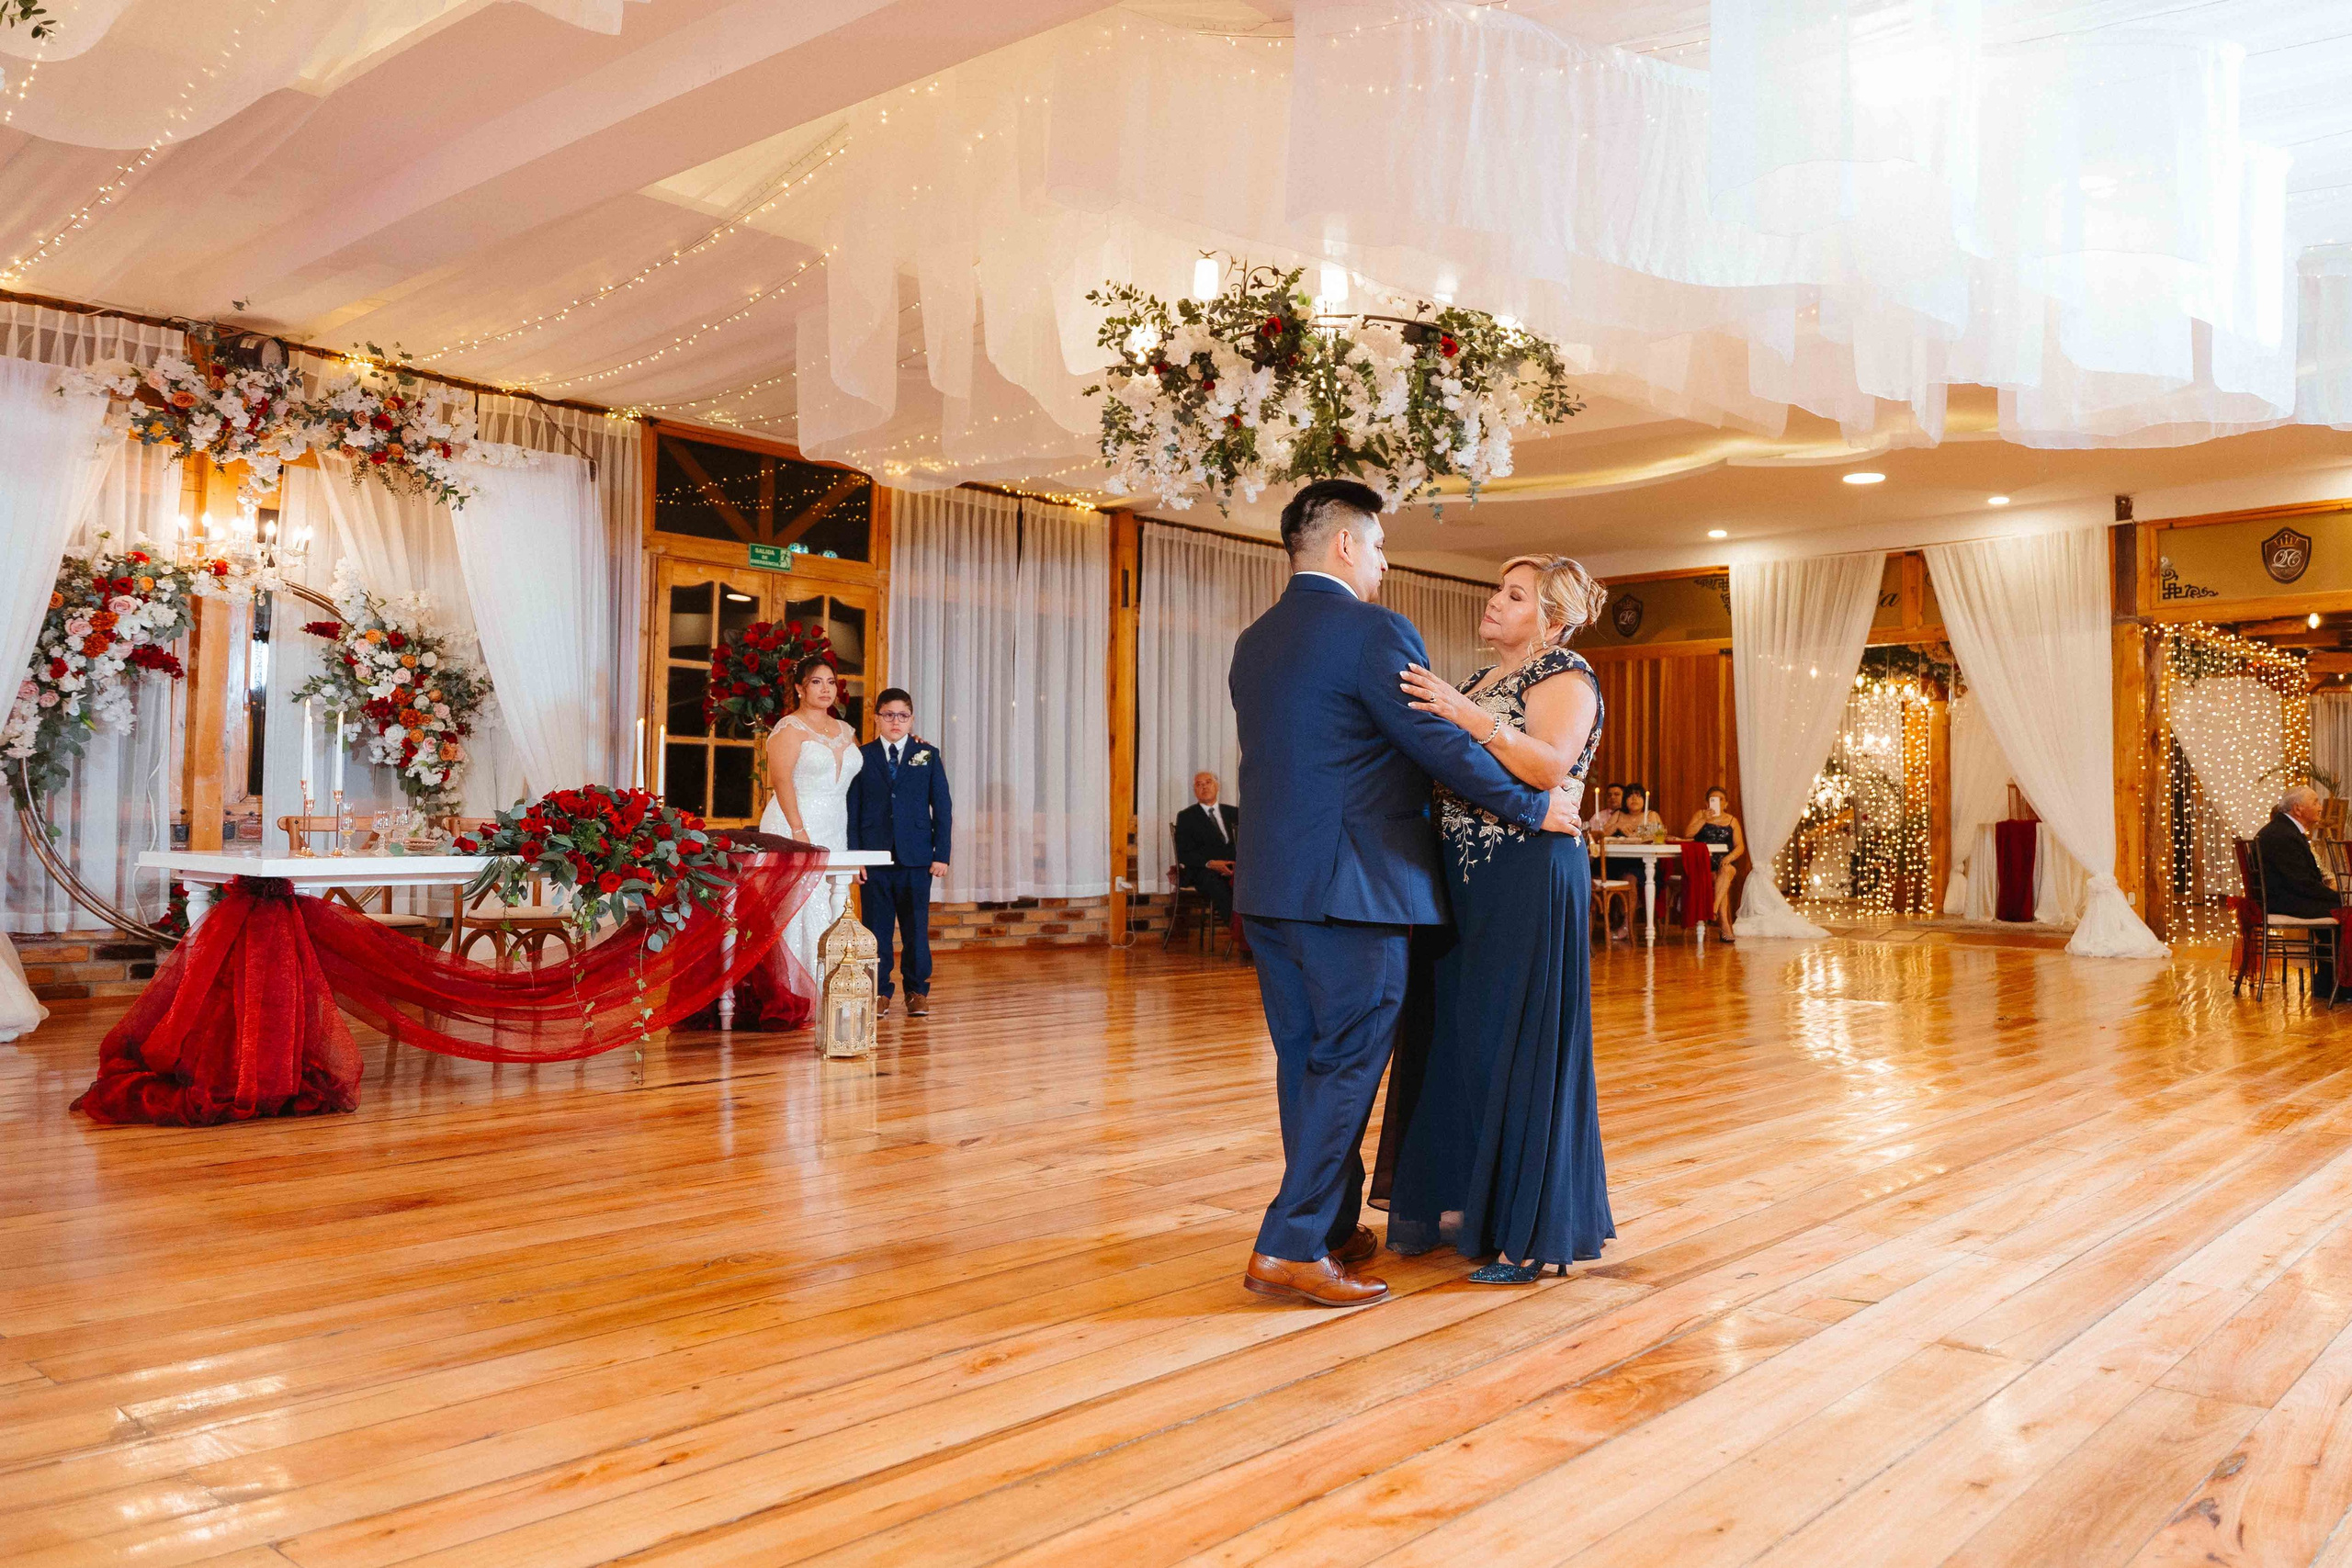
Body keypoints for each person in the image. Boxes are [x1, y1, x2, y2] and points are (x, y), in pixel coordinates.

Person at [1228, 479, 1580, 1309]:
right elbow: (1433, 743)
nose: (1385, 562)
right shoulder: (1373, 630)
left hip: (1272, 886)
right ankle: (1288, 1245)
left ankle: (1327, 1224)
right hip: (1354, 890)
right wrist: (1532, 806)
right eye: (1380, 546)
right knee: (1349, 1062)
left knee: (1307, 1065)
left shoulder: (1255, 640)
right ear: (1346, 544)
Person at [1386, 553, 1615, 1281]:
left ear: (1553, 619)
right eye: (1498, 589)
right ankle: (1468, 1207)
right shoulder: (1478, 680)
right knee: (1461, 1040)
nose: (1494, 601)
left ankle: (1529, 1234)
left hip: (1527, 875)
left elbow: (1549, 767)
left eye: (1514, 595)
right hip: (1462, 884)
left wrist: (1465, 716)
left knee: (1519, 1046)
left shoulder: (1565, 674)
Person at [745, 655, 863, 1029]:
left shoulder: (845, 730)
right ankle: (796, 994)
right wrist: (798, 832)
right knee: (798, 908)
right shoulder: (789, 728)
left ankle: (834, 991)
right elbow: (781, 782)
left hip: (835, 827)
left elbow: (866, 775)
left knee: (833, 907)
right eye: (816, 682)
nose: (825, 689)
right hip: (795, 824)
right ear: (799, 688)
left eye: (830, 682)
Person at [847, 687, 952, 1019]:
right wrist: (855, 857)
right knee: (876, 930)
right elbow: (852, 810)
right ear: (877, 717)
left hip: (916, 856)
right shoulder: (862, 756)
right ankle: (878, 992)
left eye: (903, 715)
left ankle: (917, 991)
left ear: (912, 719)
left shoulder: (927, 754)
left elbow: (942, 807)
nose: (896, 721)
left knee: (916, 929)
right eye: (889, 714)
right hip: (875, 858)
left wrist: (942, 853)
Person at [2256, 784, 2342, 998]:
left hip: (2286, 898)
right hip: (2286, 901)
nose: (2320, 807)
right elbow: (2301, 883)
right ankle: (2337, 983)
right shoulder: (2283, 835)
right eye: (2315, 802)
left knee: (2343, 907)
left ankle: (2329, 980)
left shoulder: (2284, 829)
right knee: (2346, 910)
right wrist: (2338, 896)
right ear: (2298, 809)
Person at [1174, 771, 1244, 949]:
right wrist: (1212, 863)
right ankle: (1240, 935)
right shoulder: (1186, 817)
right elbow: (1184, 853)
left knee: (1253, 883)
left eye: (1208, 782)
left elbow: (1247, 842)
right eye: (1199, 784)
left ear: (1217, 786)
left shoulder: (1235, 813)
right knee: (1217, 885)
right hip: (1204, 870)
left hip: (1235, 868)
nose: (1204, 787)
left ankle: (1262, 936)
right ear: (1194, 791)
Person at [1680, 785, 1747, 942]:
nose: (1717, 802)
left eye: (1720, 799)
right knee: (1721, 881)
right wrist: (1704, 819)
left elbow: (1740, 846)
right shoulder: (1700, 815)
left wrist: (1729, 857)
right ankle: (1723, 925)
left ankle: (1713, 909)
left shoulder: (1732, 821)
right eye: (1713, 799)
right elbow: (1688, 834)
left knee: (1727, 871)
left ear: (1726, 803)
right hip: (1702, 864)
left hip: (1723, 861)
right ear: (1707, 802)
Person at [1600, 784, 1663, 937]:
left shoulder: (1651, 815)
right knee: (1618, 875)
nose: (1634, 799)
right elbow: (1602, 833)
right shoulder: (1619, 815)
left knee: (1630, 879)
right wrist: (1617, 826)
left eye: (1638, 795)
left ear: (1644, 800)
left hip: (1643, 863)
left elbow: (1660, 837)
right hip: (1617, 861)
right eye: (1630, 795)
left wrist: (1642, 835)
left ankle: (1626, 926)